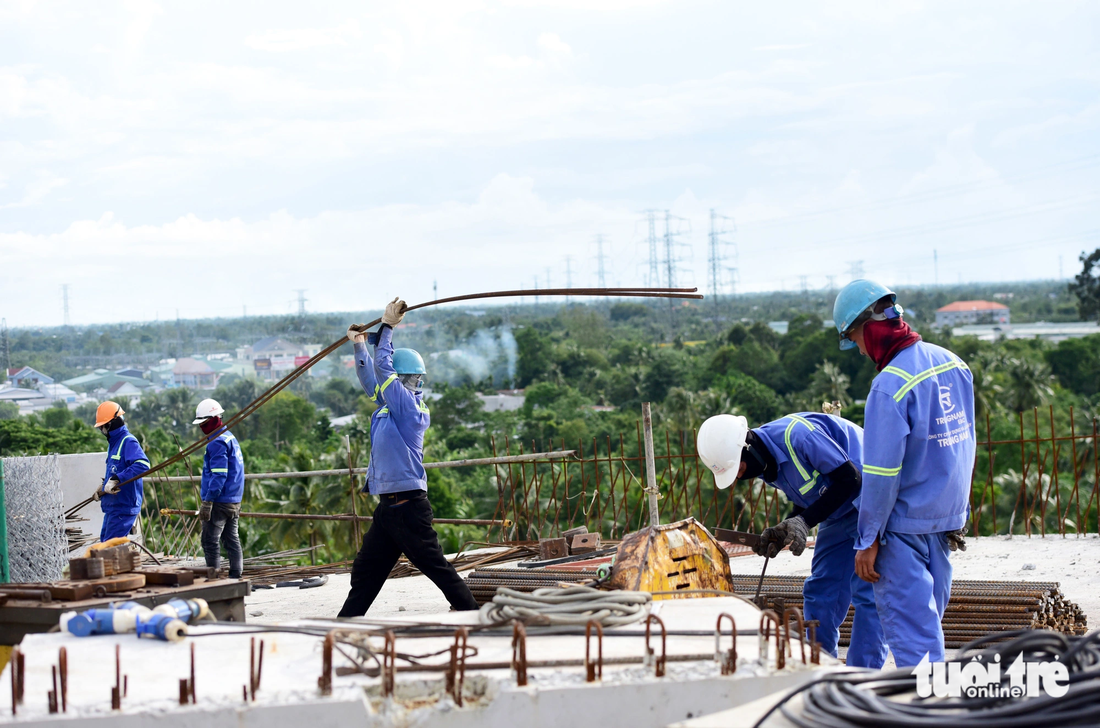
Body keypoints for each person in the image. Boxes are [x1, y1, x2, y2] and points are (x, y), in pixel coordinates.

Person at [835, 279, 975, 668]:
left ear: (867, 327)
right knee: (929, 632)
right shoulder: (953, 363)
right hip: (943, 524)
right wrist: (957, 512)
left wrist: (867, 540)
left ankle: (928, 714)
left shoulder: (888, 387)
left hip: (902, 532)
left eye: (854, 340)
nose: (860, 351)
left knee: (917, 650)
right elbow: (965, 444)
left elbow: (880, 476)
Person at [698, 411, 888, 668]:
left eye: (740, 468)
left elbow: (850, 479)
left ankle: (865, 678)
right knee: (821, 590)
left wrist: (805, 522)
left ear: (748, 446)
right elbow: (810, 497)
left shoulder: (798, 436)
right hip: (838, 512)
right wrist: (786, 526)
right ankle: (819, 667)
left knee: (868, 592)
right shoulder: (765, 463)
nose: (741, 476)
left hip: (871, 504)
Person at [338, 297, 479, 617]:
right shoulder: (390, 406)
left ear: (404, 379)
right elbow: (372, 381)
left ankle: (471, 613)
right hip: (389, 508)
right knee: (366, 571)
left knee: (435, 566)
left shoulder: (409, 409)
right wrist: (360, 346)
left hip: (408, 508)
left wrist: (387, 328)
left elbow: (383, 370)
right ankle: (346, 622)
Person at [193, 398, 245, 580]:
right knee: (231, 539)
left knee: (210, 541)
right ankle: (236, 575)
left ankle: (213, 578)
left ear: (213, 420)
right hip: (234, 499)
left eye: (204, 423)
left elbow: (219, 475)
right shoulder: (229, 437)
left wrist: (208, 501)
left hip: (220, 500)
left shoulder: (216, 442)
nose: (202, 428)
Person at [92, 401, 150, 542]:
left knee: (109, 549)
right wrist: (104, 487)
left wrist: (117, 479)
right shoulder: (114, 443)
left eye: (102, 426)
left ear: (110, 424)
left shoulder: (128, 441)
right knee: (105, 545)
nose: (101, 430)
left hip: (123, 507)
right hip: (113, 507)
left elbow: (143, 464)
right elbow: (115, 469)